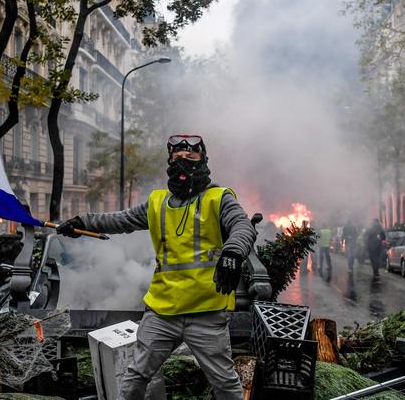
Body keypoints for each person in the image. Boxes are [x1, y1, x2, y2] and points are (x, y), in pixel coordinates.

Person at [56, 134, 256, 400]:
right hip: (162, 312)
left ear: (203, 160)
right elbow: (120, 220)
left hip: (206, 312)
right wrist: (81, 222)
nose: (183, 163)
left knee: (226, 385)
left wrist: (233, 253)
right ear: (169, 161)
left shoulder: (218, 198)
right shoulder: (157, 202)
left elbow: (242, 226)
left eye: (190, 158)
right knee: (134, 379)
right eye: (177, 158)